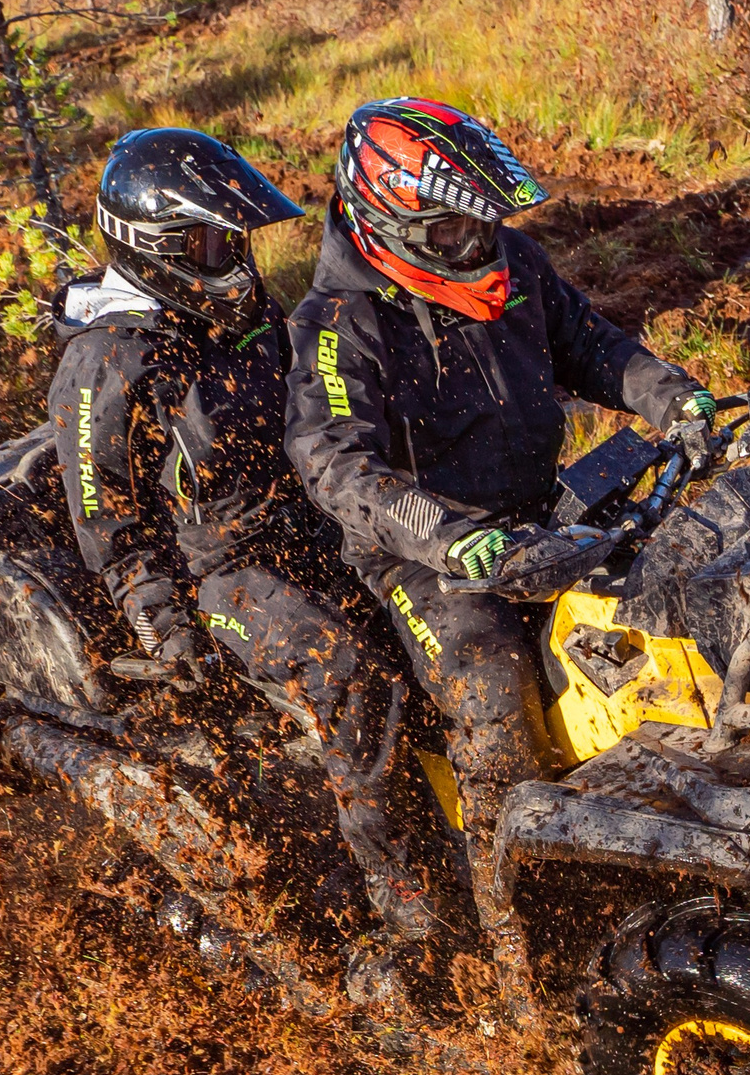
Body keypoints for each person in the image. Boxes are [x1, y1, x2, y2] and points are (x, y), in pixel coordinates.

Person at [283, 98, 716, 1013]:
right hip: (422, 558)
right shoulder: (338, 321)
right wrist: (450, 537)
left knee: (694, 603)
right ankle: (513, 942)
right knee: (495, 700)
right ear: (389, 219)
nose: (479, 242)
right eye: (454, 225)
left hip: (539, 511)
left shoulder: (510, 262)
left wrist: (676, 401)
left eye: (485, 220)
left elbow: (591, 344)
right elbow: (333, 461)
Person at [51, 126, 437, 951]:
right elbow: (107, 522)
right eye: (208, 241)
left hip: (317, 523)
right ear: (154, 248)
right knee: (348, 672)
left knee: (446, 618)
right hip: (221, 573)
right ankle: (410, 905)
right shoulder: (107, 361)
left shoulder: (244, 315)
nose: (229, 255)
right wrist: (165, 623)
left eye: (233, 239)